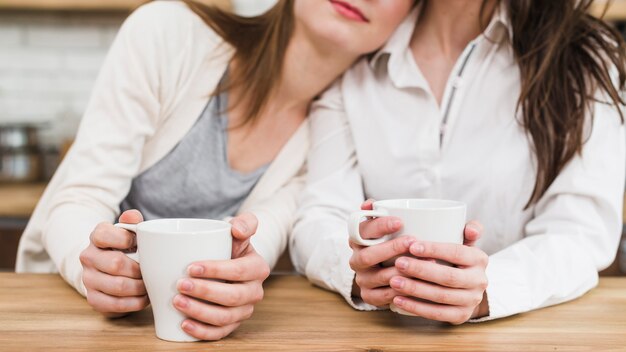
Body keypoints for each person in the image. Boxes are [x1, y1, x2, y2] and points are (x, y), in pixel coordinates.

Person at [15, 0, 414, 340]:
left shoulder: (337, 140)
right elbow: (79, 196)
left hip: (191, 332)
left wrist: (238, 280)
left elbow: (260, 242)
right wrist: (97, 268)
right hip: (73, 318)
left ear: (412, 15)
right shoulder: (167, 34)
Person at [292, 0, 626, 324]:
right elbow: (319, 214)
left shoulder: (583, 56)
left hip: (518, 337)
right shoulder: (361, 37)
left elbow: (579, 235)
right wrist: (359, 268)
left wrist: (487, 289)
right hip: (379, 331)